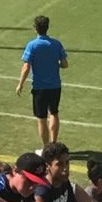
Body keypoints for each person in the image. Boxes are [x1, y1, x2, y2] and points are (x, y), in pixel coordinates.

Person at [16, 13, 68, 146]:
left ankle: (46, 148)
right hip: (55, 86)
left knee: (42, 119)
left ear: (35, 28)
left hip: (39, 87)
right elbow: (65, 64)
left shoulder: (32, 45)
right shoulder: (56, 44)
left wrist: (20, 84)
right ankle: (54, 143)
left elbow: (26, 66)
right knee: (54, 113)